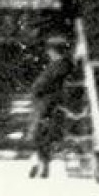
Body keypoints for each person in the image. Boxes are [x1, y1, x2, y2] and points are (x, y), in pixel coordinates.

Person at [26, 30, 78, 179]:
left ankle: (41, 165)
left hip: (49, 106)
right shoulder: (63, 65)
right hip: (52, 105)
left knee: (39, 134)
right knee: (41, 134)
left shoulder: (58, 66)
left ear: (53, 51)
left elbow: (39, 86)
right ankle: (40, 164)